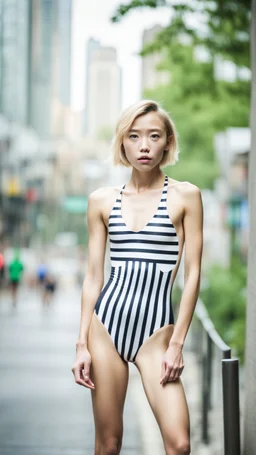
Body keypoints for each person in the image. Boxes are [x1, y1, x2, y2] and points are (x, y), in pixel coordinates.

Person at [72, 100, 203, 455]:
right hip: (106, 328)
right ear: (122, 143)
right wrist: (82, 344)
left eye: (154, 136)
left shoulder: (186, 196)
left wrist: (177, 343)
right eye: (134, 136)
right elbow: (93, 277)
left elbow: (192, 276)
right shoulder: (101, 200)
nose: (144, 145)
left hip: (157, 336)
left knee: (179, 444)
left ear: (167, 142)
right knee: (108, 443)